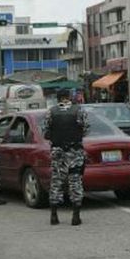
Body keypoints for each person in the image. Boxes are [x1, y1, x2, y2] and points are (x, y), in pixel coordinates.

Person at [43, 89, 89, 226]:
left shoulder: (51, 112)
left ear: (58, 99)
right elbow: (86, 128)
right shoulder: (79, 110)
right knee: (75, 181)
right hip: (74, 151)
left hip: (58, 151)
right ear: (69, 97)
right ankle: (75, 216)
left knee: (56, 182)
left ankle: (54, 216)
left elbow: (45, 131)